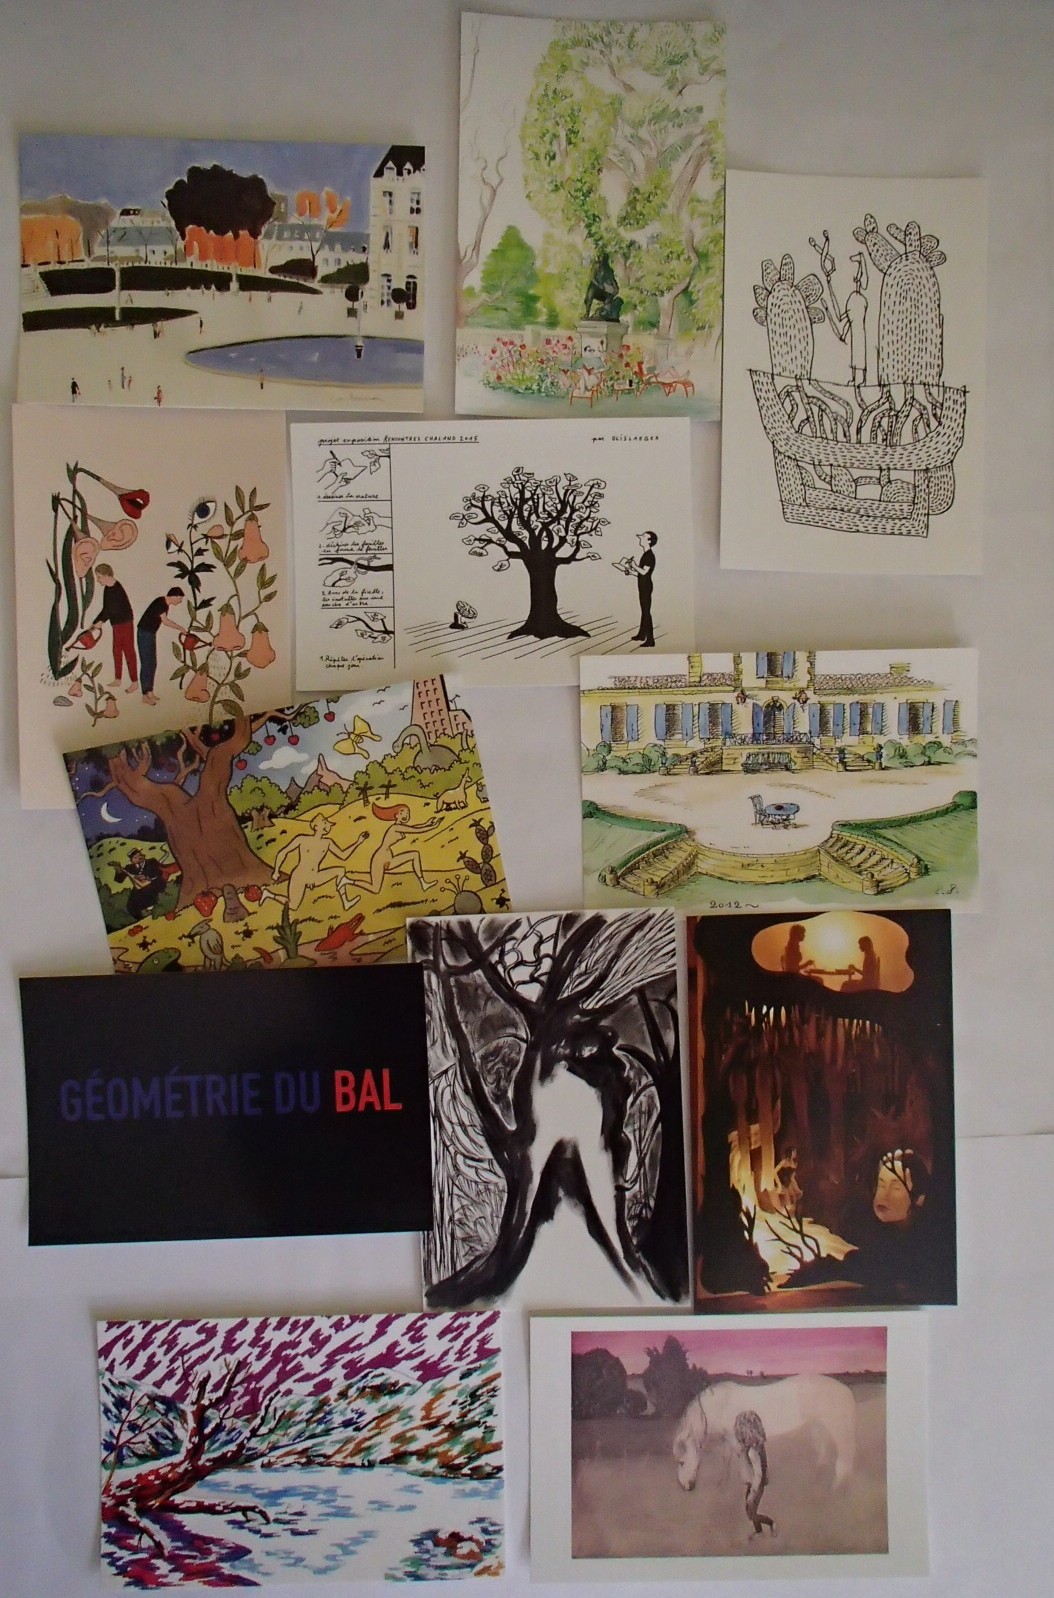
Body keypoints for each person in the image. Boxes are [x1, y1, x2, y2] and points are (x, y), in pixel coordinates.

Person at [91, 565, 138, 692]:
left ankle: (134, 682)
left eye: (99, 577)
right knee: (116, 650)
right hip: (116, 624)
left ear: (106, 576)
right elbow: (106, 609)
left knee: (128, 651)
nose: (98, 580)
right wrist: (95, 623)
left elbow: (112, 609)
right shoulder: (108, 589)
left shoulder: (116, 588)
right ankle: (118, 679)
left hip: (125, 622)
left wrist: (101, 621)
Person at [136, 587, 184, 705]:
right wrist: (180, 628)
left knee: (152, 663)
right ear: (174, 596)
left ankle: (149, 691)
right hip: (145, 634)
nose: (180, 601)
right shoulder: (161, 603)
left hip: (149, 634)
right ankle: (145, 695)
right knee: (147, 663)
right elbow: (165, 621)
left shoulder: (164, 603)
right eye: (180, 598)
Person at [616, 530, 658, 646]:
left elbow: (644, 572)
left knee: (646, 612)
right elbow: (641, 574)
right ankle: (642, 634)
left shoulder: (649, 556)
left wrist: (634, 565)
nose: (641, 538)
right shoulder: (645, 554)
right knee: (644, 611)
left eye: (643, 537)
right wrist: (630, 572)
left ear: (649, 541)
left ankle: (650, 640)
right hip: (643, 585)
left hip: (646, 587)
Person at [117, 848, 165, 919]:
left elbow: (159, 873)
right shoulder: (129, 867)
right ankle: (141, 918)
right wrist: (118, 870)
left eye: (139, 855)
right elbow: (119, 880)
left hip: (154, 884)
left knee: (150, 895)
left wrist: (147, 877)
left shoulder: (152, 862)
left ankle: (154, 911)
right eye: (135, 857)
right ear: (132, 860)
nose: (138, 858)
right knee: (131, 905)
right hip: (139, 888)